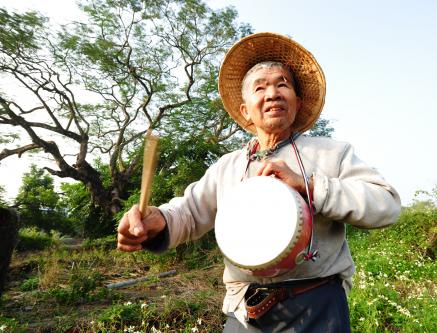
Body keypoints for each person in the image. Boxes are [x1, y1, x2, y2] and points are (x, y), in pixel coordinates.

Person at [117, 32, 401, 332]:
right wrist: (157, 220)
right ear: (245, 110)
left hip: (317, 305)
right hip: (244, 310)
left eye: (283, 85)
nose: (273, 93)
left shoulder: (332, 153)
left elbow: (386, 205)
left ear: (297, 101)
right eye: (260, 87)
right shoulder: (228, 166)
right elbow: (187, 213)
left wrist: (310, 185)